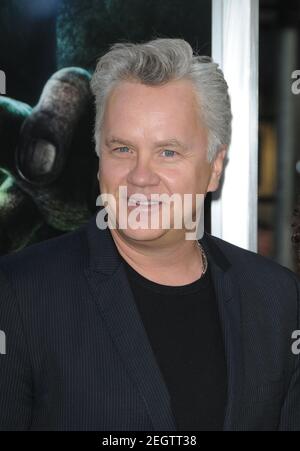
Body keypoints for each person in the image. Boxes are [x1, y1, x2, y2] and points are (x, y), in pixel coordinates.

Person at [0, 38, 299, 431]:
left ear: (214, 167)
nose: (140, 177)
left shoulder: (278, 298)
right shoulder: (19, 293)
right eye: (122, 149)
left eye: (168, 152)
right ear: (99, 157)